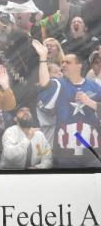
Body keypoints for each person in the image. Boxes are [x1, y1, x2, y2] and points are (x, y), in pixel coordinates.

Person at [34, 40, 101, 168]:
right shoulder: (59, 84)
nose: (63, 64)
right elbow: (44, 83)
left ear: (79, 66)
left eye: (68, 62)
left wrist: (90, 102)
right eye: (62, 62)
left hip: (93, 153)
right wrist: (43, 58)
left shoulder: (95, 87)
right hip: (64, 153)